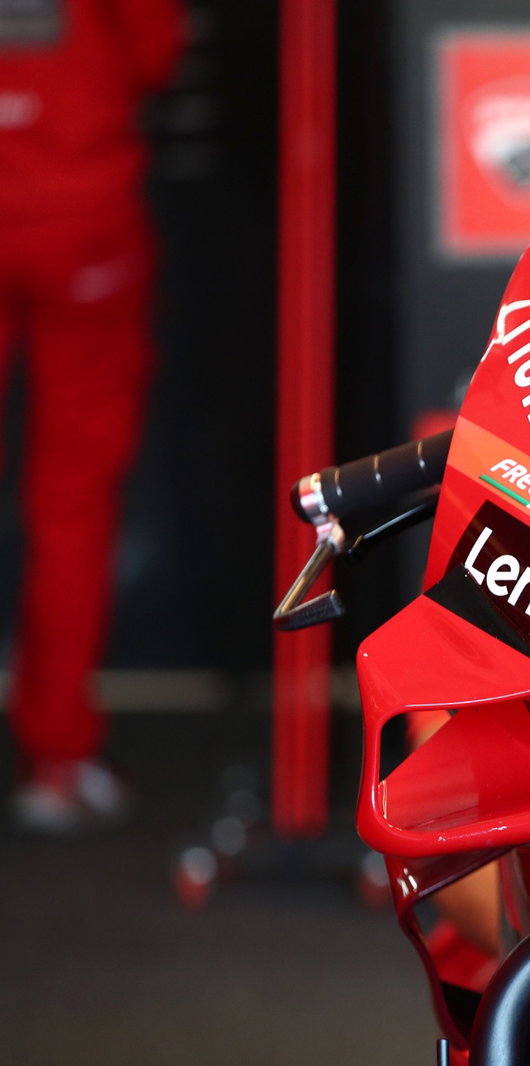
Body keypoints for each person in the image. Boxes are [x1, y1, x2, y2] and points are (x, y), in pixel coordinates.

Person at [1, 0, 186, 831]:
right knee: (71, 497)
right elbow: (156, 53)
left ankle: (60, 755)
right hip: (79, 207)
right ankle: (57, 762)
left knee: (71, 496)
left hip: (77, 206)